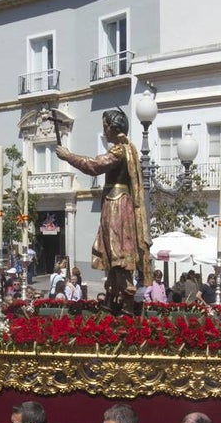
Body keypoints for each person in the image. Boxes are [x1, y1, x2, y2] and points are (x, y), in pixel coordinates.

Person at [55, 109, 153, 306]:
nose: (104, 131)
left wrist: (68, 156)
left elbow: (95, 165)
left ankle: (125, 297)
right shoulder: (126, 148)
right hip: (113, 201)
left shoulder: (119, 150)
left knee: (118, 250)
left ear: (112, 127)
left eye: (105, 126)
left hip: (117, 203)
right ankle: (113, 294)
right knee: (111, 249)